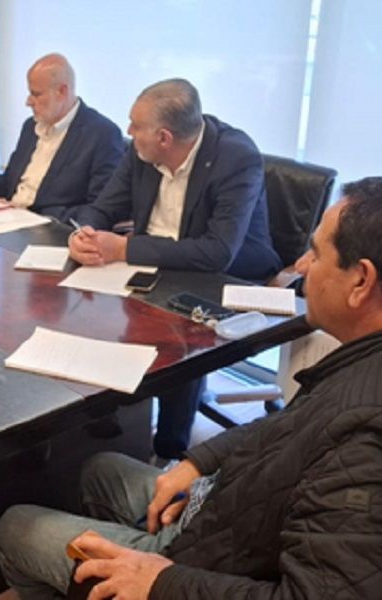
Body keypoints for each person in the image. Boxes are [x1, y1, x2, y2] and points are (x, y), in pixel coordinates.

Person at [0, 177, 382, 600]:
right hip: (233, 516)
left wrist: (161, 581)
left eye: (316, 254)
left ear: (361, 280)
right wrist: (202, 460)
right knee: (99, 469)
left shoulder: (377, 436)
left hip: (206, 567)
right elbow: (297, 429)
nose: (301, 266)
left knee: (15, 528)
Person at [71, 78, 282, 461]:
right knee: (86, 306)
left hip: (223, 273)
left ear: (164, 138)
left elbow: (217, 252)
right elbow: (103, 207)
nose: (129, 131)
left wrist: (124, 248)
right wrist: (82, 234)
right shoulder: (141, 152)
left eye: (136, 126)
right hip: (155, 263)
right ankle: (100, 419)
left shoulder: (236, 157)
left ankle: (169, 452)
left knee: (179, 338)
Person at [0, 54, 125, 222]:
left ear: (62, 91)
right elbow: (11, 179)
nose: (28, 102)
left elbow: (99, 209)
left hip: (49, 230)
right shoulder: (31, 126)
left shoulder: (102, 134)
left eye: (36, 94)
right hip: (10, 221)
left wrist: (30, 214)